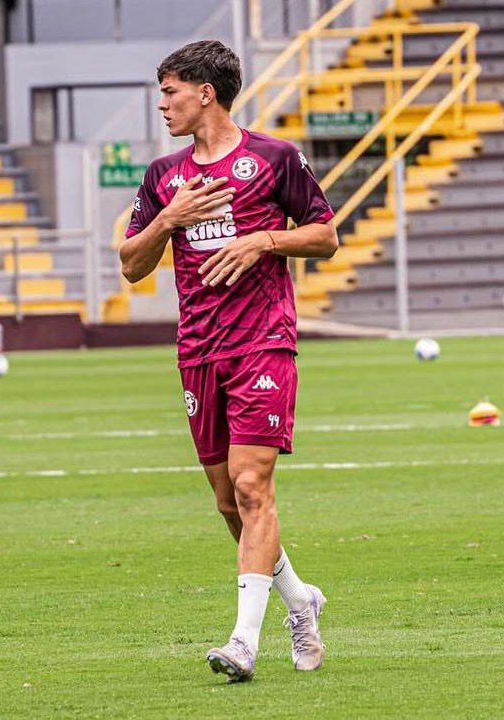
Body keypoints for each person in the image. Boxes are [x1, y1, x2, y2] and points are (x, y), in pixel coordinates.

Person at [118, 40, 340, 683]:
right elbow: (131, 266)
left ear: (205, 92)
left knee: (251, 485)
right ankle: (300, 601)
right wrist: (168, 220)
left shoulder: (274, 158)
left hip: (263, 342)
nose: (162, 105)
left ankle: (243, 642)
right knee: (227, 502)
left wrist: (264, 241)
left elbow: (325, 235)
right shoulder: (163, 176)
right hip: (198, 350)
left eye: (170, 92)